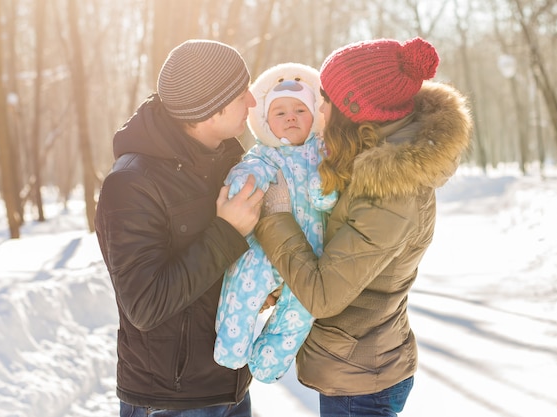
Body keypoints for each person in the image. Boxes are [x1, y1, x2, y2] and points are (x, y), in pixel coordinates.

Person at [254, 37, 473, 416]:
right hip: (360, 365)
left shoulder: (390, 191)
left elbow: (323, 293)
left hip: (361, 383)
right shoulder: (373, 157)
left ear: (355, 111)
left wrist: (275, 216)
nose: (318, 108)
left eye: (327, 100)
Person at [94, 39, 264, 416]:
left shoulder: (225, 161)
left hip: (231, 384)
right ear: (210, 110)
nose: (252, 102)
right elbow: (145, 305)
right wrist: (226, 232)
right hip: (170, 401)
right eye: (241, 94)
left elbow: (213, 271)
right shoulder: (131, 183)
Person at [214, 62, 338, 384]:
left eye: (300, 110)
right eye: (280, 113)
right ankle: (231, 347)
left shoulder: (322, 152)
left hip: (307, 252)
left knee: (301, 309)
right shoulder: (264, 154)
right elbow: (247, 173)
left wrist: (325, 186)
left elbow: (331, 185)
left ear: (314, 116)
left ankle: (268, 363)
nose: (291, 117)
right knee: (242, 286)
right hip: (263, 247)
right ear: (266, 122)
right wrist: (243, 181)